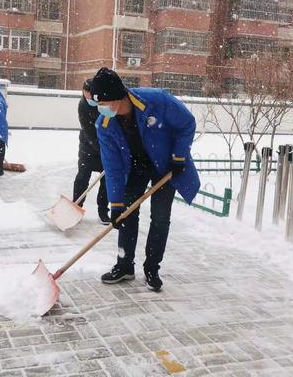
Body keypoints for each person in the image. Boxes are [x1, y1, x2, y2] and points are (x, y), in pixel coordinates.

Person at [90, 67, 200, 290]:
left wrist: (178, 157)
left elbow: (187, 123)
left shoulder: (156, 101)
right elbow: (112, 167)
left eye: (104, 103)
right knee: (127, 215)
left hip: (165, 166)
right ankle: (124, 265)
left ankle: (152, 268)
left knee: (160, 218)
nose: (102, 109)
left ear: (119, 97)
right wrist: (116, 204)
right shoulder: (104, 125)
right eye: (98, 104)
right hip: (135, 168)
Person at [73, 79, 109, 225]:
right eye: (85, 96)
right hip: (88, 146)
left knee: (106, 181)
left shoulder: (105, 103)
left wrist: (107, 148)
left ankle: (103, 211)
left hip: (106, 145)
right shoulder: (82, 105)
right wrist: (99, 148)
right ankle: (76, 206)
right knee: (82, 176)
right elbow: (88, 131)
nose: (88, 100)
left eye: (90, 97)